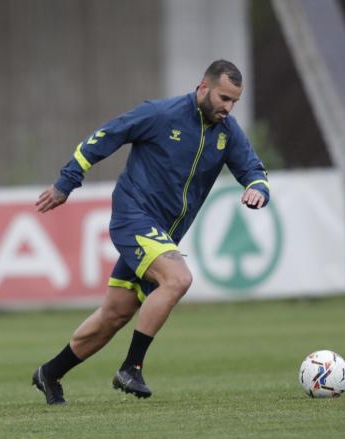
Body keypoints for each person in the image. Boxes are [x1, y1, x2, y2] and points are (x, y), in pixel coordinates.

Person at [32, 59, 270, 405]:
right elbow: (107, 136)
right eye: (223, 98)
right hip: (134, 216)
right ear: (203, 87)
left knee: (114, 315)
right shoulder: (161, 115)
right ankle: (132, 367)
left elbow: (252, 168)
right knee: (178, 279)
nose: (228, 107)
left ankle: (50, 373)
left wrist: (258, 189)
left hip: (163, 236)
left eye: (235, 101)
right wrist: (67, 182)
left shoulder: (227, 133)